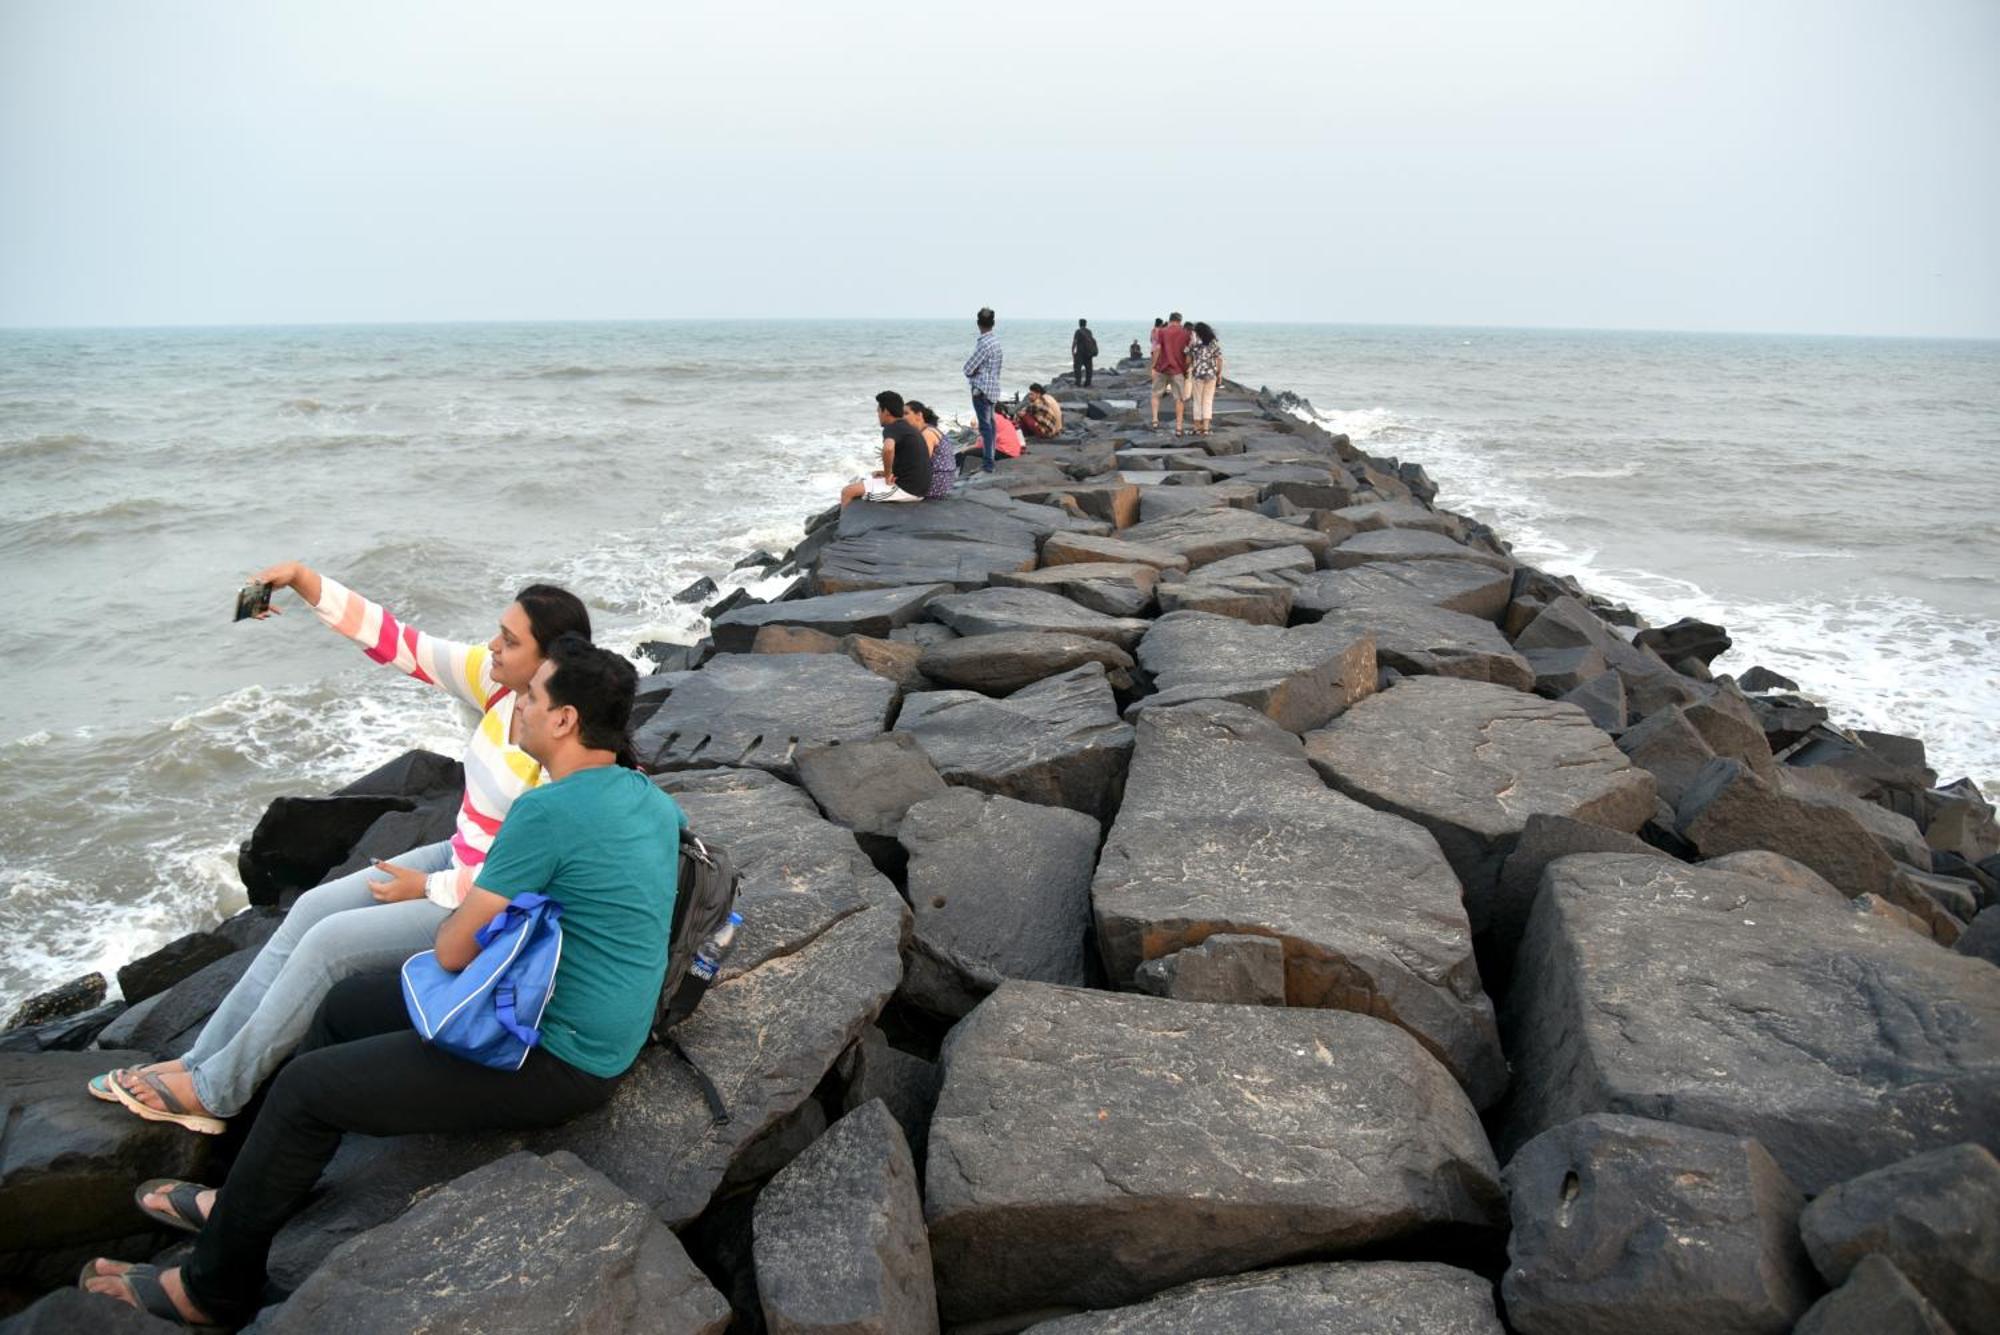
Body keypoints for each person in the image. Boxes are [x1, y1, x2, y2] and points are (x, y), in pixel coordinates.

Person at [80, 635, 684, 1328]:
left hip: (556, 1055)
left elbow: (454, 949)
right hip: (576, 1016)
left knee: (308, 1091)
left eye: (529, 696)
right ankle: (239, 1202)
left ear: (564, 720)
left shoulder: (545, 811)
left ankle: (211, 1289)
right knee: (340, 1004)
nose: (515, 705)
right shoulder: (647, 795)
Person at [91, 569, 592, 1135]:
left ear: (551, 659)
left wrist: (425, 888)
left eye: (509, 640)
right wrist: (306, 582)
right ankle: (199, 1060)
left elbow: (526, 880)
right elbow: (400, 642)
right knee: (308, 910)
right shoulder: (498, 684)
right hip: (461, 857)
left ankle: (215, 1093)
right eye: (497, 633)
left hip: (487, 901)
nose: (492, 646)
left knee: (330, 947)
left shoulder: (558, 746)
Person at [839, 390, 932, 505]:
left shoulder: (892, 428)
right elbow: (909, 461)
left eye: (878, 411)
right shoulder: (906, 427)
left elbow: (888, 449)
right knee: (864, 479)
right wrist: (886, 472)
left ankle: (847, 522)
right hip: (918, 487)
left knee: (848, 492)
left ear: (886, 412)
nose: (878, 415)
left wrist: (888, 475)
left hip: (908, 490)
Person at [963, 307, 1004, 473]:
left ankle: (988, 464)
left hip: (981, 390)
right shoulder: (996, 342)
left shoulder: (984, 344)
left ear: (978, 323)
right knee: (991, 426)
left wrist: (977, 372)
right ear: (993, 323)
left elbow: (967, 368)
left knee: (985, 428)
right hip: (993, 389)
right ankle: (990, 460)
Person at [905, 399, 957, 498]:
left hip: (937, 481)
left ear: (919, 415)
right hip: (944, 479)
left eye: (906, 413)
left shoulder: (927, 433)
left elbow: (921, 464)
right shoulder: (928, 429)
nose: (902, 417)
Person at [1151, 311, 1193, 435]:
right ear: (1180, 321)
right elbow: (1187, 354)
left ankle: (1154, 420)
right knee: (1179, 399)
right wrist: (1186, 368)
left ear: (1170, 320)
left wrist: (1153, 366)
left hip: (1162, 368)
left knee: (1155, 394)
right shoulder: (1186, 334)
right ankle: (1179, 427)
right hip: (1178, 370)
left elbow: (1157, 349)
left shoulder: (1162, 331)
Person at [1187, 321, 1225, 436]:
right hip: (1211, 375)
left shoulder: (1195, 345)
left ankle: (1197, 427)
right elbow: (1220, 360)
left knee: (1197, 401)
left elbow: (1188, 360)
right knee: (1208, 401)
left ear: (1197, 333)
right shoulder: (1213, 344)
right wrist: (1219, 374)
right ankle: (1206, 428)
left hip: (1198, 375)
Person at [1070, 318, 1097, 387]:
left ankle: (1078, 383)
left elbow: (1075, 342)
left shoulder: (1078, 331)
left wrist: (1072, 350)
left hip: (1080, 353)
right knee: (1089, 369)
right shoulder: (1089, 331)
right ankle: (1088, 383)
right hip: (1088, 353)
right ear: (1086, 324)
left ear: (1079, 324)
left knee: (1077, 368)